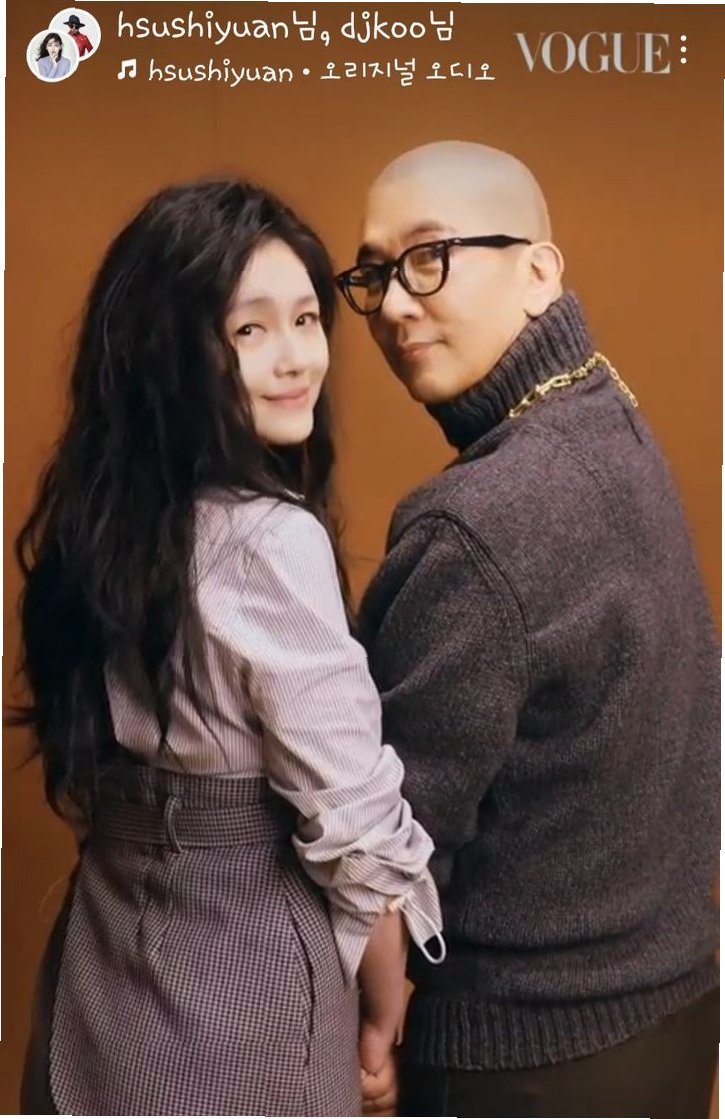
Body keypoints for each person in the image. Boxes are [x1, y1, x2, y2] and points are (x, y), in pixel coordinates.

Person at [15, 178, 443, 1116]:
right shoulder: (268, 538)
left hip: (97, 977)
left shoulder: (95, 530)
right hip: (242, 999)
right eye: (249, 329)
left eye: (305, 318)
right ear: (171, 353)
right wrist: (383, 1012)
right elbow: (358, 827)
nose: (295, 359)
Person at [336, 141, 719, 1119]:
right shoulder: (609, 418)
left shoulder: (475, 520)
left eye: (429, 256)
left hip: (527, 1054)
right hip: (675, 1010)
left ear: (539, 272)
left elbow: (388, 845)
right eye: (372, 274)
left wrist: (371, 1029)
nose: (392, 303)